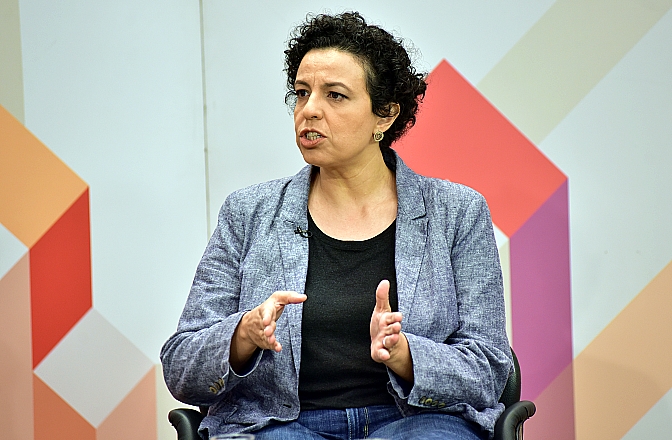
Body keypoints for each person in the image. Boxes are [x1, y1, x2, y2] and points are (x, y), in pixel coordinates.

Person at [161, 11, 512, 440]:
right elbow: (181, 364)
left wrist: (406, 355)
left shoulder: (457, 212)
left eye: (335, 95)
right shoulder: (248, 212)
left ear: (385, 115)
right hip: (282, 425)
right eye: (302, 93)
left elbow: (488, 368)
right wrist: (243, 335)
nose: (309, 110)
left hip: (416, 421)